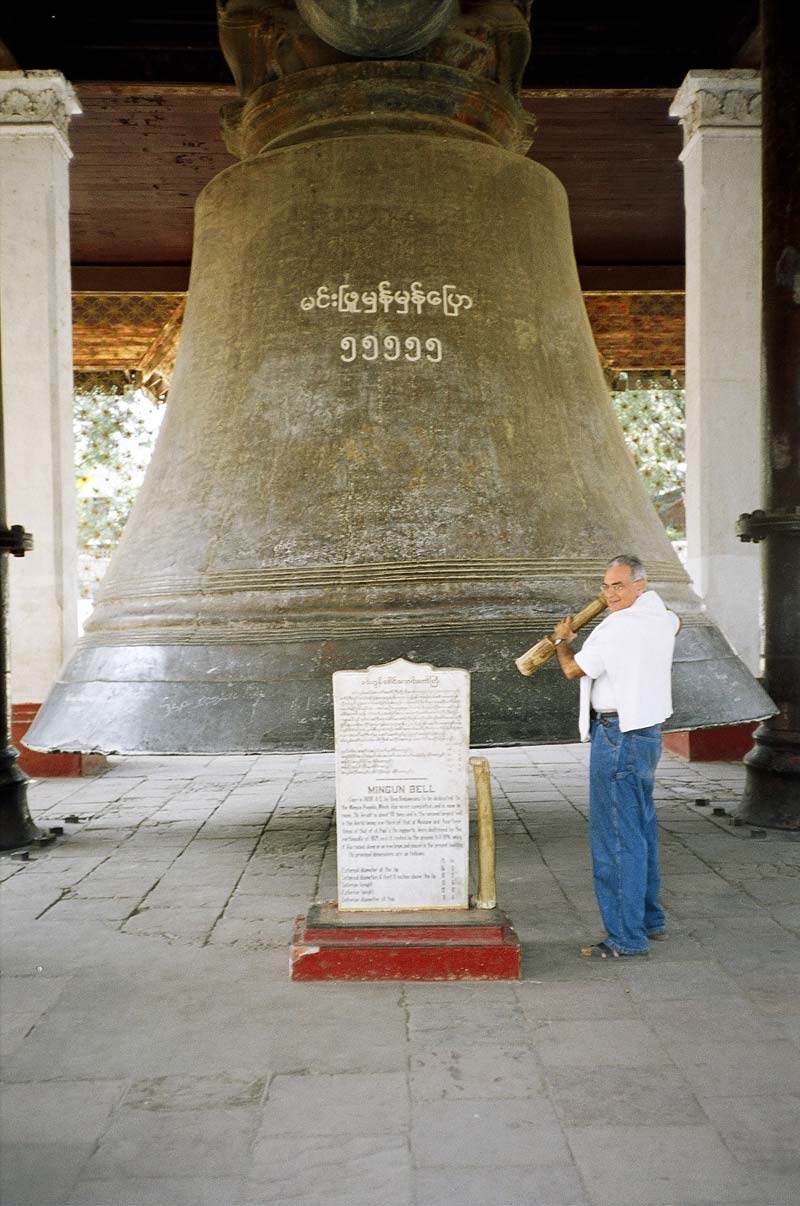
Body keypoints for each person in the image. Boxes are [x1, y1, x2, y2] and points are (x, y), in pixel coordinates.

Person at [552, 555, 679, 959]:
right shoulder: (663, 616)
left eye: (619, 586)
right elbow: (675, 621)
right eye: (605, 587)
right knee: (639, 828)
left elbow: (574, 671)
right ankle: (649, 919)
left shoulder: (617, 628)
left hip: (617, 736)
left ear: (640, 585)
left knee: (616, 838)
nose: (609, 595)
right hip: (647, 734)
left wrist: (561, 641)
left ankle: (625, 937)